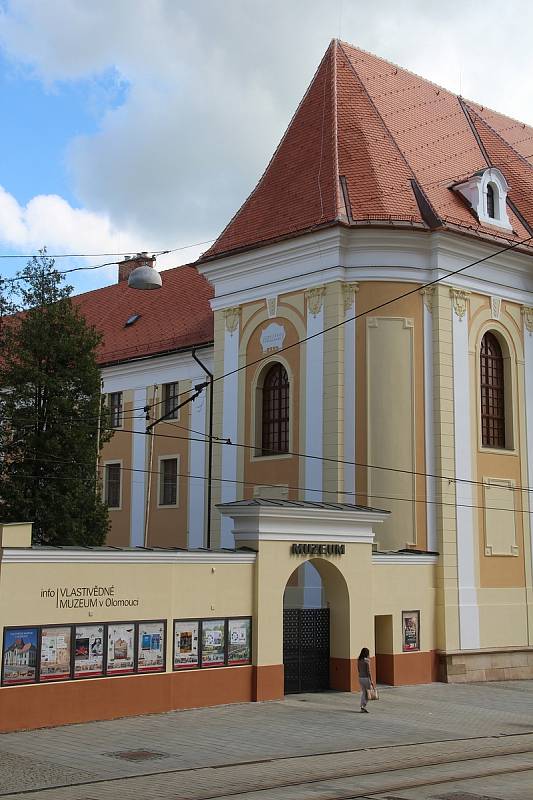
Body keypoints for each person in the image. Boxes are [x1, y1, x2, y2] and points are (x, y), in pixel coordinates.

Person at [357, 647, 373, 713]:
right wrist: (371, 680)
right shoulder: (367, 660)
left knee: (364, 692)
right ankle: (363, 706)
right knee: (368, 693)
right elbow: (368, 671)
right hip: (366, 678)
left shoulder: (359, 660)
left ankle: (362, 706)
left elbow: (358, 669)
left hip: (360, 678)